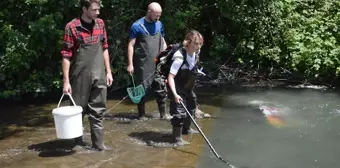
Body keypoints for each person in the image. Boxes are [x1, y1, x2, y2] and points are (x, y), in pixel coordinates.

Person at [61, 0, 113, 151]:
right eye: (94, 10)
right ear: (84, 9)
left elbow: (105, 48)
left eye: (98, 10)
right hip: (79, 75)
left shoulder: (100, 24)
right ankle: (78, 144)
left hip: (99, 73)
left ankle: (98, 145)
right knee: (78, 110)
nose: (98, 13)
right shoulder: (72, 27)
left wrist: (108, 71)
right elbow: (66, 55)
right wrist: (66, 81)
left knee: (98, 109)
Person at [127, 2, 168, 120]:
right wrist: (130, 64)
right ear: (149, 11)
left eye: (159, 15)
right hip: (142, 64)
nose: (158, 17)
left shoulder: (159, 24)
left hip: (158, 63)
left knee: (161, 87)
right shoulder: (137, 26)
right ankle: (141, 115)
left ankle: (163, 115)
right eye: (156, 15)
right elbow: (131, 45)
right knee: (142, 89)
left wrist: (166, 56)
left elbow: (163, 40)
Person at [167, 30, 204, 146]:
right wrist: (175, 94)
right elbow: (170, 77)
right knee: (178, 113)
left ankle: (186, 129)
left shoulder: (196, 54)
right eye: (196, 44)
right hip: (177, 88)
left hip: (188, 88)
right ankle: (176, 139)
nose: (198, 47)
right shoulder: (179, 57)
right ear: (188, 43)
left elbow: (192, 67)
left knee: (192, 106)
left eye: (200, 44)